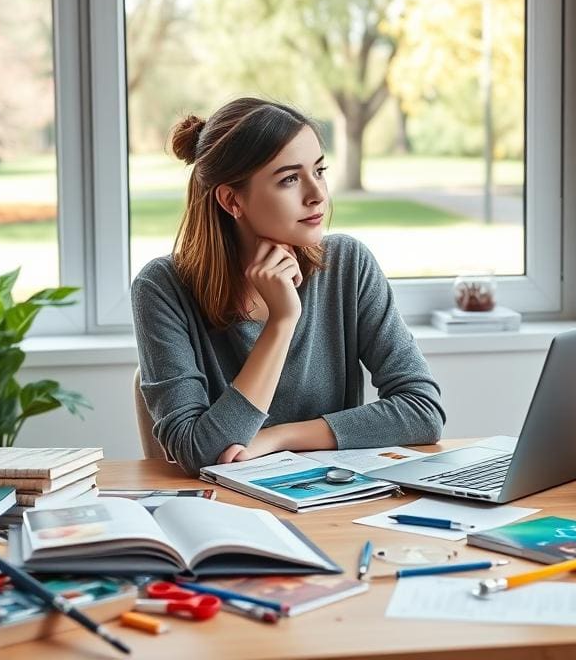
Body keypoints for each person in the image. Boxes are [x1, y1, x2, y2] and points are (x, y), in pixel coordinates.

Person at [131, 97, 444, 476]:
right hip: (223, 512)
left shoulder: (347, 264)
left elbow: (422, 411)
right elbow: (199, 451)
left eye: (319, 170)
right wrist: (282, 322)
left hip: (333, 508)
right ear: (232, 200)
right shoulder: (162, 288)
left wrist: (279, 437)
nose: (317, 195)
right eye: (290, 179)